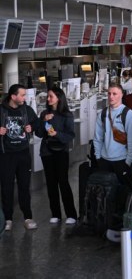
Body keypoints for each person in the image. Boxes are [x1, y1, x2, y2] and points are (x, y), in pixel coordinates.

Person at [0, 84, 40, 231]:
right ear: (13, 96)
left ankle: (28, 217)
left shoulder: (26, 109)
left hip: (23, 154)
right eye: (22, 95)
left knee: (24, 186)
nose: (25, 98)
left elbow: (36, 123)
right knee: (6, 187)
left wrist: (32, 127)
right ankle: (8, 219)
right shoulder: (1, 110)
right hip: (6, 155)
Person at [36, 87, 78, 225]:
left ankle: (71, 214)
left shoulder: (67, 115)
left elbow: (70, 135)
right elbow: (39, 133)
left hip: (61, 152)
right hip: (47, 152)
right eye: (48, 96)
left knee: (63, 182)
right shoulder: (44, 113)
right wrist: (43, 121)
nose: (48, 99)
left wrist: (57, 134)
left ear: (59, 98)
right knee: (51, 183)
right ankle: (56, 214)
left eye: (51, 96)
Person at [94, 83, 132, 188]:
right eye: (109, 93)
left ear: (122, 95)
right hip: (104, 161)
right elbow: (98, 138)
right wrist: (98, 157)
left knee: (122, 194)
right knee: (104, 195)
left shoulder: (129, 115)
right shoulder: (102, 114)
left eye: (114, 94)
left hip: (122, 161)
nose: (111, 97)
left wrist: (128, 162)